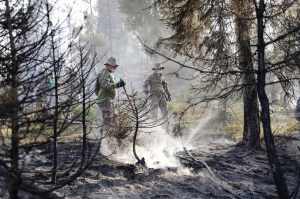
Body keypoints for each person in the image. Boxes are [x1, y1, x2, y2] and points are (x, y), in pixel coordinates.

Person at [95, 57, 126, 132]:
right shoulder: (104, 73)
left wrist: (118, 80)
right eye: (113, 66)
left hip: (108, 99)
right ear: (108, 65)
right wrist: (117, 85)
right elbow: (104, 85)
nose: (114, 68)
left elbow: (112, 82)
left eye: (115, 66)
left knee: (113, 117)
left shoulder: (109, 73)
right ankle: (105, 137)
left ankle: (109, 135)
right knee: (108, 118)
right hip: (104, 99)